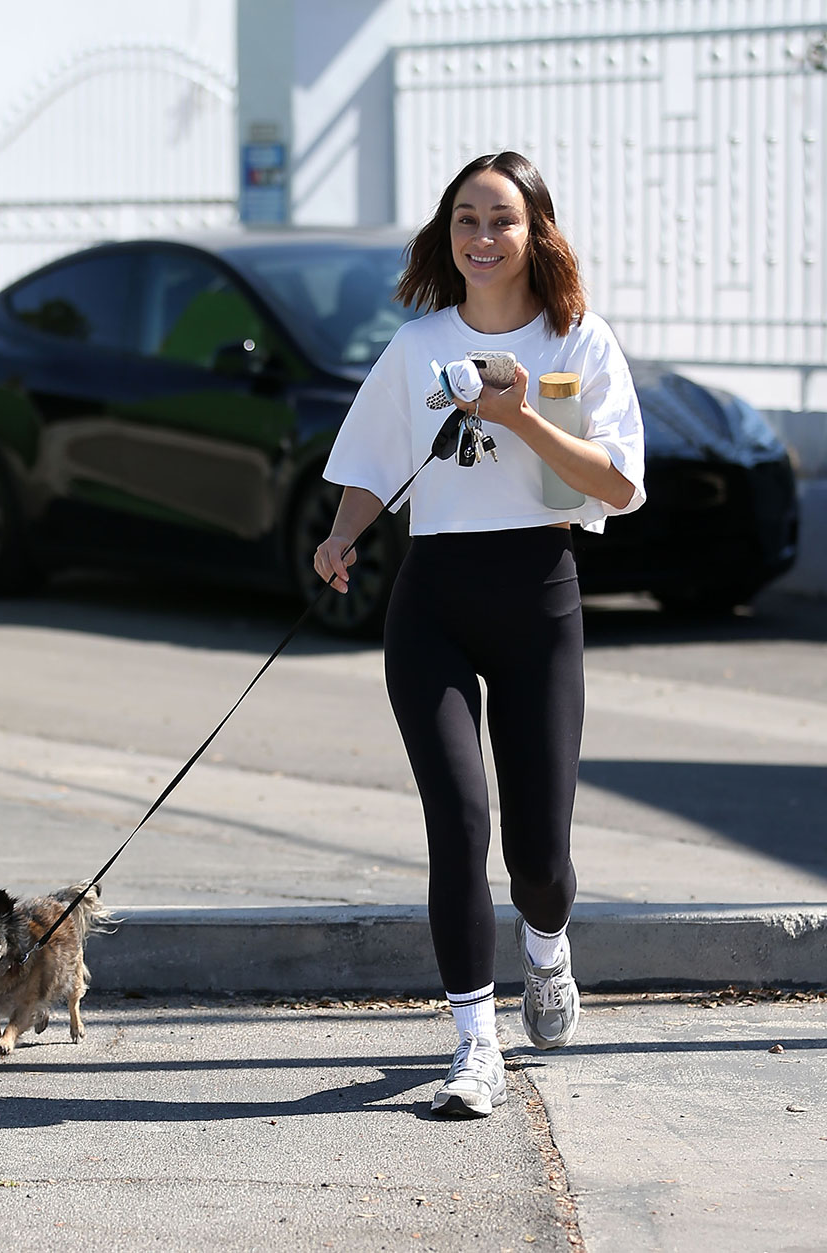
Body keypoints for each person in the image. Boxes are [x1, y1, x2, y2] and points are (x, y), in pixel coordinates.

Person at [313, 151, 645, 1119]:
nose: (481, 237)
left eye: (500, 218)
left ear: (536, 231)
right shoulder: (416, 343)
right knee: (458, 824)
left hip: (540, 595)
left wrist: (519, 414)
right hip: (434, 601)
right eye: (465, 218)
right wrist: (341, 534)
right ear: (445, 235)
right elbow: (372, 458)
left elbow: (618, 485)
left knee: (537, 855)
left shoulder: (576, 340)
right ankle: (473, 1042)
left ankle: (547, 947)